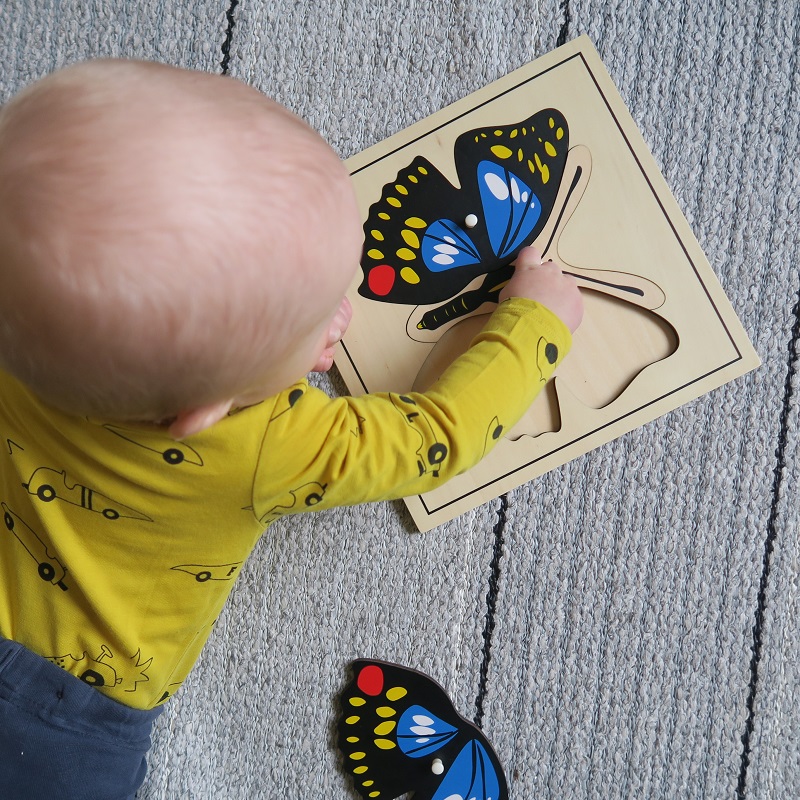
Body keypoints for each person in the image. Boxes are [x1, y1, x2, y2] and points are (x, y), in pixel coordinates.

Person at [0, 59, 583, 798]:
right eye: (313, 326)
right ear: (198, 415)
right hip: (58, 727)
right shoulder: (261, 445)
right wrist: (534, 325)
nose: (343, 314)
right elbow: (434, 438)